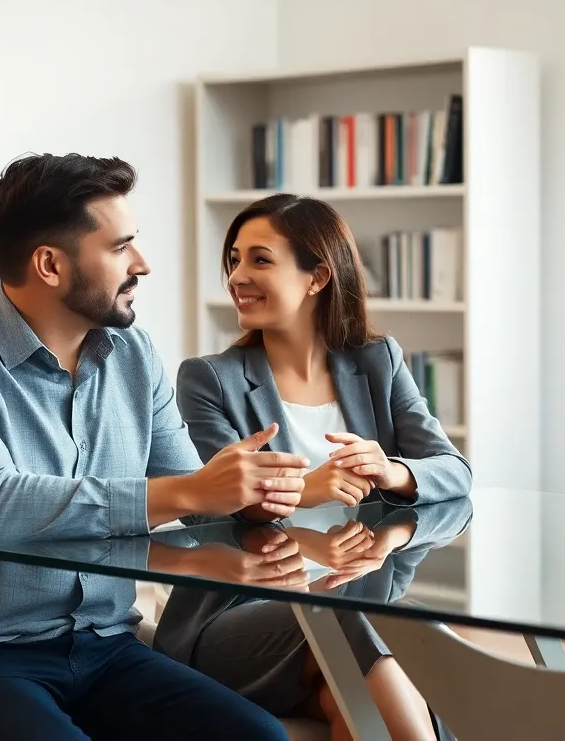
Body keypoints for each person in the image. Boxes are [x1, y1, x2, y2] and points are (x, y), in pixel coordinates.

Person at [0, 154, 311, 741]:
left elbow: (188, 489)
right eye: (120, 247)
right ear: (50, 264)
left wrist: (251, 492)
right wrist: (190, 490)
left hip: (107, 644)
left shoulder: (132, 356)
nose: (143, 264)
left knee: (261, 737)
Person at [155, 193, 472, 741]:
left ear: (317, 276)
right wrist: (307, 488)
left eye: (259, 259)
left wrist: (391, 470)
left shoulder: (378, 362)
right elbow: (210, 503)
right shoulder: (209, 379)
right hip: (236, 616)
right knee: (369, 629)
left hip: (348, 614)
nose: (236, 276)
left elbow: (456, 473)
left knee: (354, 702)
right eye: (233, 259)